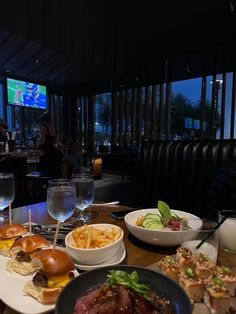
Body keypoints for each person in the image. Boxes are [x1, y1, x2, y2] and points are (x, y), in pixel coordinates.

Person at [38, 113, 63, 178]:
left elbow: (43, 141)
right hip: (52, 151)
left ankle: (44, 185)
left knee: (45, 170)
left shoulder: (44, 128)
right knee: (53, 170)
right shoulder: (54, 128)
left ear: (44, 121)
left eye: (42, 122)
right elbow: (56, 141)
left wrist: (39, 141)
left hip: (46, 151)